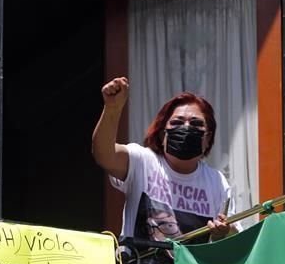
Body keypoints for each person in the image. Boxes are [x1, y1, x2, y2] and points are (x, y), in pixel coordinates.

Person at [92, 76, 236, 244]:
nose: (186, 128)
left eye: (196, 124)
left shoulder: (217, 182)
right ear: (162, 134)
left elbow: (234, 237)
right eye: (177, 122)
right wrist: (112, 108)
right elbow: (104, 154)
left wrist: (224, 232)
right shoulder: (142, 162)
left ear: (208, 138)